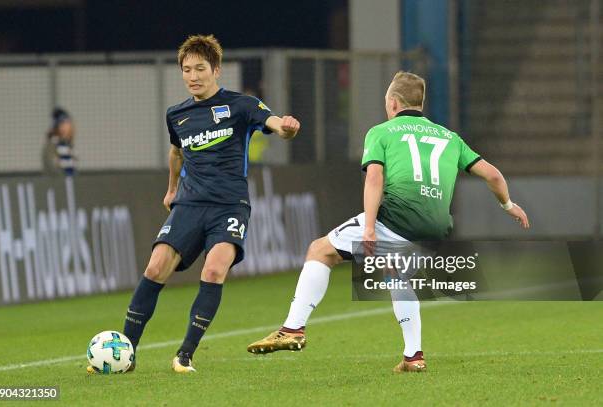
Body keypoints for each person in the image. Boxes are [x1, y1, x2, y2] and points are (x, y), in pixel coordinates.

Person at [246, 71, 529, 373]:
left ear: (393, 103)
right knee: (396, 276)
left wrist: (369, 226)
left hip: (396, 220)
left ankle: (293, 328)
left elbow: (375, 178)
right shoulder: (450, 137)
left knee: (320, 251)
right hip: (436, 227)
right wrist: (508, 205)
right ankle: (413, 356)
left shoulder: (381, 132)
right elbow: (494, 175)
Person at [86, 34, 300, 374]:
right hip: (189, 204)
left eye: (200, 69)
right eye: (186, 70)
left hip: (230, 206)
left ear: (216, 70)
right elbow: (176, 151)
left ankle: (184, 355)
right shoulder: (177, 114)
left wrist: (286, 127)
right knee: (156, 267)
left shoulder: (242, 105)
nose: (193, 76)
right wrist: (171, 189)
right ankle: (124, 354)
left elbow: (274, 124)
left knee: (214, 270)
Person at [42, 107, 76, 176]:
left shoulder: (68, 145)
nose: (69, 127)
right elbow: (53, 169)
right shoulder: (52, 146)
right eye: (64, 124)